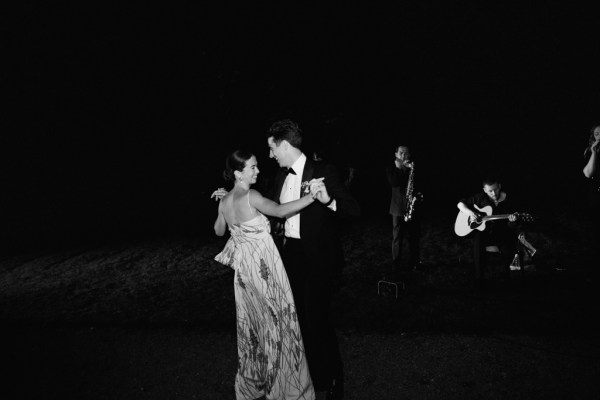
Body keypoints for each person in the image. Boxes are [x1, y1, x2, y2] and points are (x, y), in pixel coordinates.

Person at [211, 149, 325, 400]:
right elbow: (281, 211)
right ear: (238, 173)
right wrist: (311, 197)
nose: (257, 170)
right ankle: (286, 385)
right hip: (265, 272)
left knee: (253, 327)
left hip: (243, 275)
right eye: (252, 167)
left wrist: (221, 205)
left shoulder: (225, 200)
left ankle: (255, 382)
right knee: (278, 324)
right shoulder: (251, 196)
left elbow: (220, 232)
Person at [266, 119, 360, 400]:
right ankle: (310, 377)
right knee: (299, 320)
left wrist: (328, 200)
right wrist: (235, 199)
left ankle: (333, 379)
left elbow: (354, 210)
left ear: (284, 144)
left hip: (319, 257)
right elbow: (272, 208)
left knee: (318, 318)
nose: (271, 155)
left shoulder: (323, 171)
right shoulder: (281, 176)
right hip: (291, 256)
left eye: (272, 149)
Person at [457, 176, 521, 288]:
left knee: (508, 249)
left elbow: (511, 227)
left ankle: (506, 280)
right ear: (484, 190)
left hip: (502, 233)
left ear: (500, 186)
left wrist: (512, 221)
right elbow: (460, 204)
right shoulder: (480, 198)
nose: (494, 193)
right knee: (478, 239)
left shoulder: (509, 200)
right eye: (490, 191)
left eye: (496, 189)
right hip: (484, 234)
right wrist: (470, 213)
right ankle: (479, 279)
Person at [385, 145, 421, 276]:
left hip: (412, 206)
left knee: (414, 237)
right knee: (397, 238)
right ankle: (396, 264)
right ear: (396, 154)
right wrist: (400, 168)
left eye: (406, 153)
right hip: (397, 207)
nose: (403, 156)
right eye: (401, 153)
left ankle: (415, 262)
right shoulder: (391, 169)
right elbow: (394, 182)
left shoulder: (414, 168)